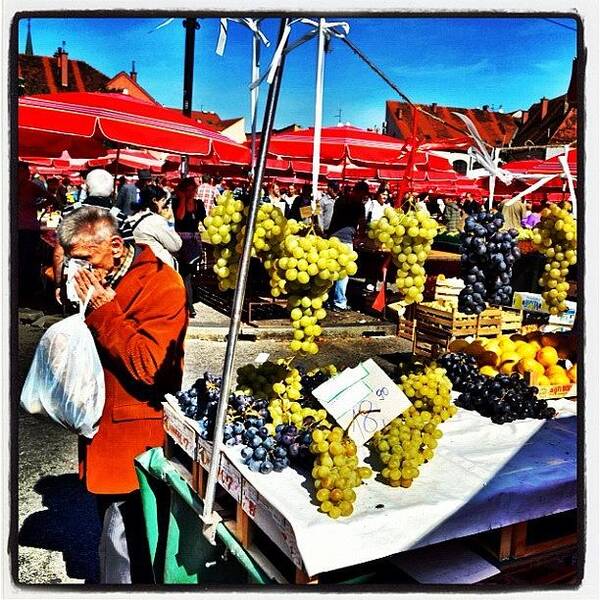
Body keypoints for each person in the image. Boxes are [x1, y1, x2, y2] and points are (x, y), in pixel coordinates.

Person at [56, 205, 187, 583]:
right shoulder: (101, 274)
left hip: (134, 437)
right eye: (74, 261)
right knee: (114, 537)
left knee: (127, 542)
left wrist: (103, 309)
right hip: (102, 427)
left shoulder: (161, 283)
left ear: (115, 245)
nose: (82, 270)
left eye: (87, 260)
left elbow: (151, 367)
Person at [53, 169, 135, 307]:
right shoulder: (119, 216)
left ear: (87, 187)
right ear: (112, 190)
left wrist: (59, 284)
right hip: (108, 283)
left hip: (75, 278)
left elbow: (58, 253)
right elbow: (127, 254)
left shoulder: (70, 211)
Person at [328, 181, 369, 311]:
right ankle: (339, 302)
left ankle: (327, 300)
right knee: (343, 274)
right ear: (361, 192)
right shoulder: (359, 205)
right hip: (345, 241)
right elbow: (362, 225)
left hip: (332, 238)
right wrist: (360, 237)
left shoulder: (340, 200)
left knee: (329, 270)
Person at [127, 185, 182, 269]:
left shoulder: (131, 219)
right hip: (159, 267)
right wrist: (169, 221)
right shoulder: (156, 221)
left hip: (138, 266)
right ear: (154, 201)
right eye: (163, 200)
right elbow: (176, 245)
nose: (164, 204)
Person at [172, 177, 203, 318]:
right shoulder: (177, 202)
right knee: (185, 274)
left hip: (194, 242)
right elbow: (179, 217)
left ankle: (188, 302)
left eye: (193, 190)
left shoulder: (199, 204)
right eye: (188, 190)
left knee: (190, 274)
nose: (192, 193)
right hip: (180, 242)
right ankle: (189, 305)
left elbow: (204, 221)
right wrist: (183, 200)